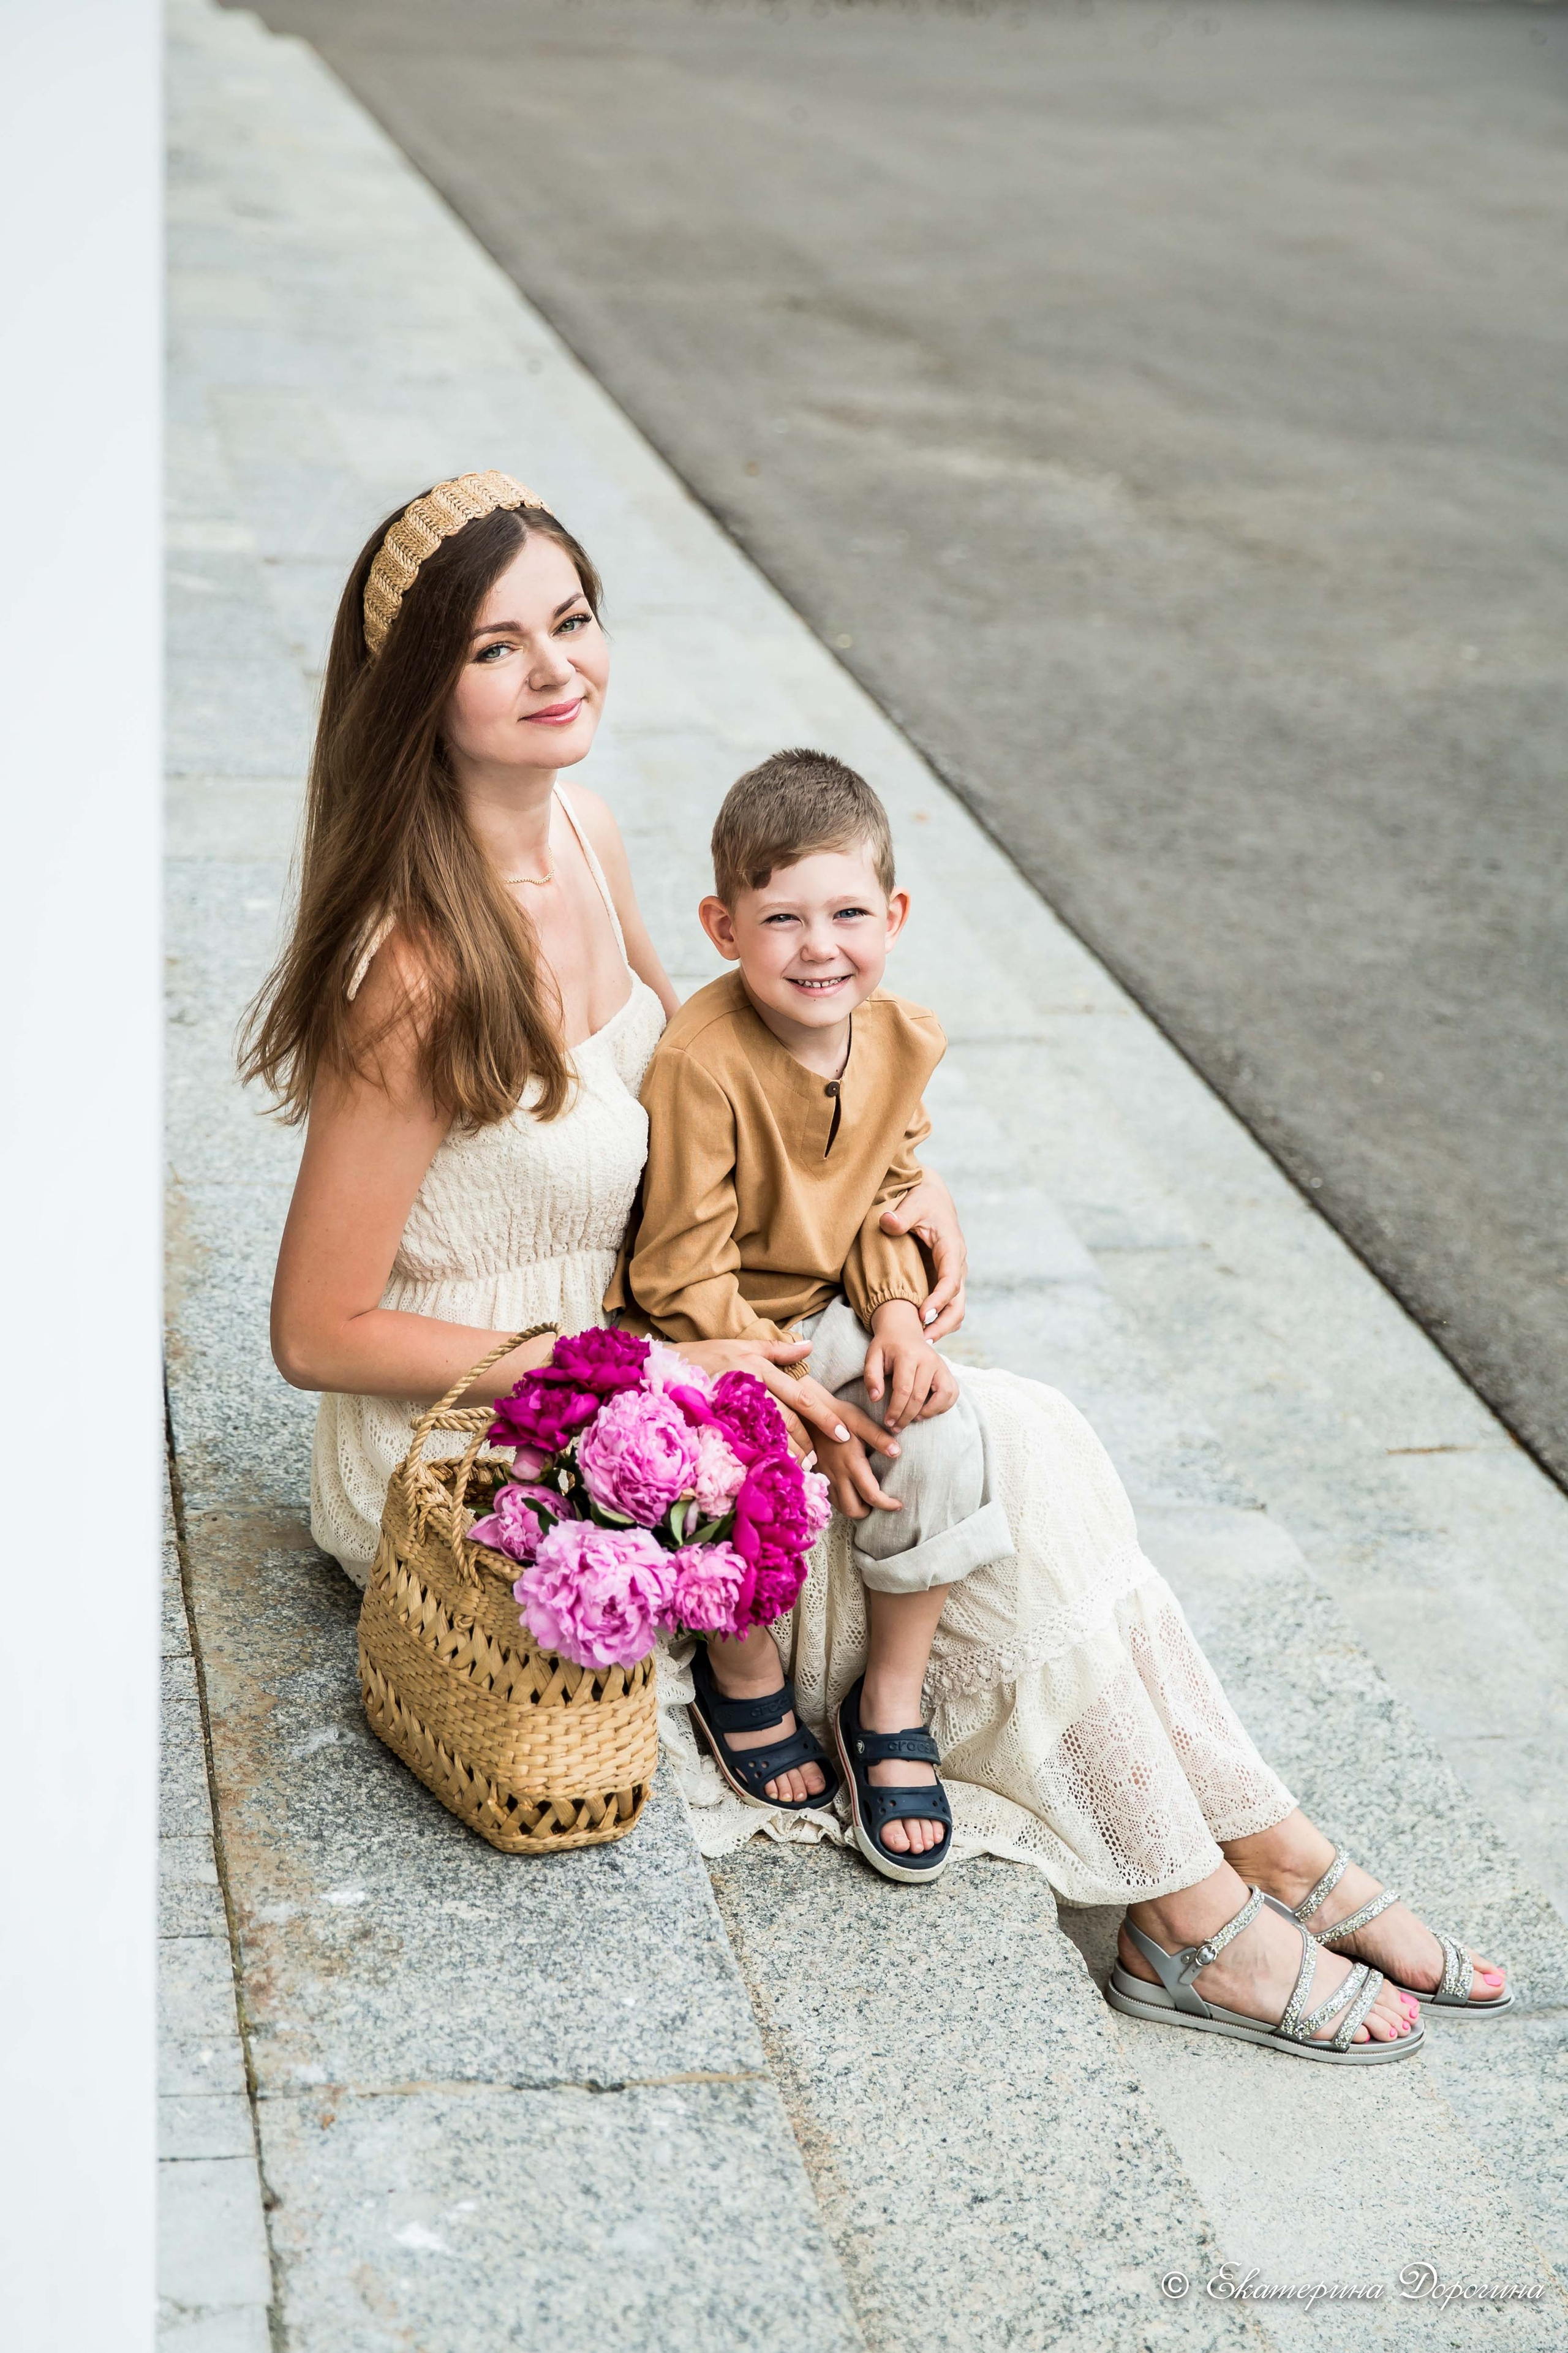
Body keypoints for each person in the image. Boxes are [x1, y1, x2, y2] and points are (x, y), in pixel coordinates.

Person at [247, 472, 1506, 2066]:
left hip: (669, 1329)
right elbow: (316, 1329)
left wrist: (899, 1196)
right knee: (922, 1509)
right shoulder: (413, 970)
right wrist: (648, 1373)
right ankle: (1196, 1910)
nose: (559, 667)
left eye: (573, 620)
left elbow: (729, 1071)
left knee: (1009, 1434)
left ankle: (1258, 1842)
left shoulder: (587, 827)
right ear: (422, 691)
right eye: (500, 648)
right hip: (502, 1416)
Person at [611, 752, 1012, 1885]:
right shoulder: (702, 1060)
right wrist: (792, 1393)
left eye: (847, 913)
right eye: (781, 918)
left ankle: (887, 1701)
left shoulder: (898, 1037)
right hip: (711, 1324)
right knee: (725, 1463)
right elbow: (678, 1264)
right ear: (723, 926)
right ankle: (743, 1677)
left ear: (893, 915)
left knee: (937, 1418)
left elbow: (887, 1184)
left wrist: (893, 1317)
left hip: (830, 1305)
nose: (818, 946)